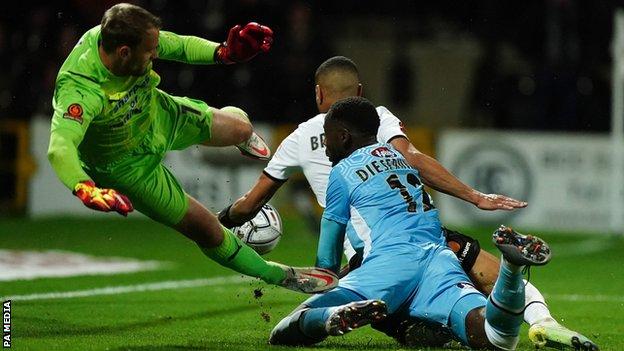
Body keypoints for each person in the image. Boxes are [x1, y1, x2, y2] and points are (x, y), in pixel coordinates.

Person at [218, 56, 598, 349]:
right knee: (495, 330)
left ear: (320, 97)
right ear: (361, 92)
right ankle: (526, 298)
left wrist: (215, 224)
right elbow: (415, 160)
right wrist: (474, 197)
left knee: (291, 328)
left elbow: (262, 215)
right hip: (432, 247)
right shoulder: (384, 129)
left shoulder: (311, 147)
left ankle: (347, 317)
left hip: (372, 256)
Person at [47, 3, 337, 295]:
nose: (156, 54)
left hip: (159, 116)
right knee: (206, 228)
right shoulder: (80, 88)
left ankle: (239, 132)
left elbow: (182, 47)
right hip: (125, 167)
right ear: (124, 53)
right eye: (150, 51)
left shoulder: (126, 35)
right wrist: (84, 186)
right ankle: (279, 275)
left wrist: (224, 53)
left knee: (242, 129)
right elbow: (60, 147)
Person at [268, 96, 555, 350]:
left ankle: (331, 316)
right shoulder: (399, 157)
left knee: (287, 327)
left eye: (328, 138)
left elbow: (327, 262)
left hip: (387, 266)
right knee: (496, 338)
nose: (326, 148)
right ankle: (513, 270)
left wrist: (321, 284)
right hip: (439, 260)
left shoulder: (342, 172)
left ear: (343, 137)